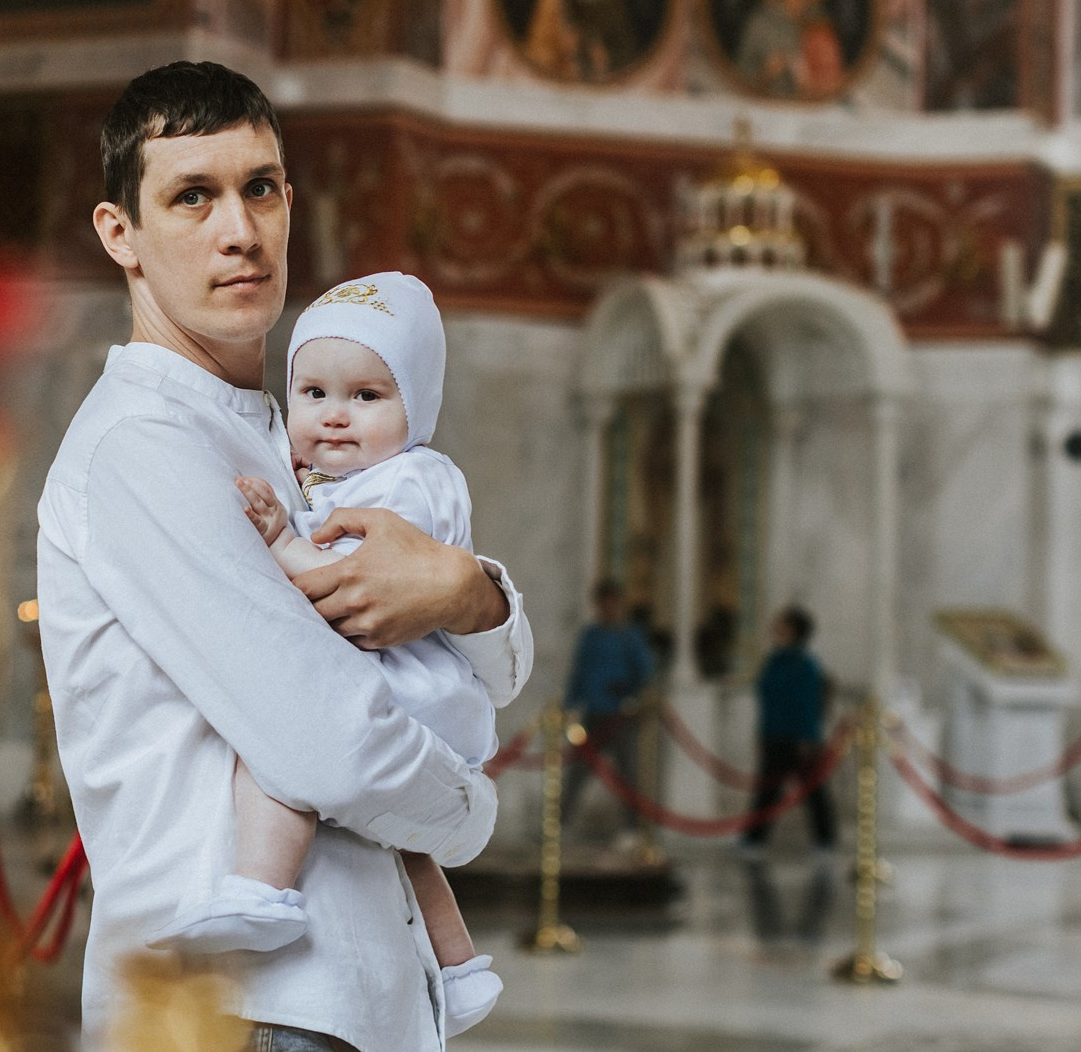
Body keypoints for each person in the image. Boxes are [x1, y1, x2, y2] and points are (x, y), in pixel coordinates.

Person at [37, 63, 534, 1051]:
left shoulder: (306, 438)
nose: (239, 229)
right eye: (192, 196)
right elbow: (330, 744)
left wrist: (468, 593)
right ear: (118, 234)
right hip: (238, 1006)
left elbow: (484, 660)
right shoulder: (143, 444)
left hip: (352, 1001)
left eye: (258, 188)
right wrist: (473, 813)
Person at [151, 272, 505, 1037]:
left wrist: (280, 538)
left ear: (417, 406)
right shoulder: (327, 474)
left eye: (367, 397)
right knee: (397, 842)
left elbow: (348, 585)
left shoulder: (413, 479)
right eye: (313, 393)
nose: (334, 416)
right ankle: (461, 965)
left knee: (277, 758)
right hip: (411, 685)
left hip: (403, 676)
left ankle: (260, 888)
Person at [739, 605, 837, 853]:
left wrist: (807, 737)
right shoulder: (773, 661)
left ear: (794, 630)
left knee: (813, 792)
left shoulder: (805, 665)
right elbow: (767, 700)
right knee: (767, 791)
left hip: (799, 739)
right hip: (774, 734)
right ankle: (754, 840)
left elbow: (807, 704)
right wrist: (761, 733)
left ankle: (825, 840)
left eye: (782, 625)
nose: (776, 629)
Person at [560, 579, 654, 835]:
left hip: (621, 716)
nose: (607, 609)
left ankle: (633, 830)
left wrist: (632, 696)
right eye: (603, 604)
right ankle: (560, 825)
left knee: (628, 775)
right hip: (593, 713)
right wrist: (568, 705)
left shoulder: (630, 637)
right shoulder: (590, 636)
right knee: (578, 771)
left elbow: (645, 672)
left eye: (612, 603)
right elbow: (579, 674)